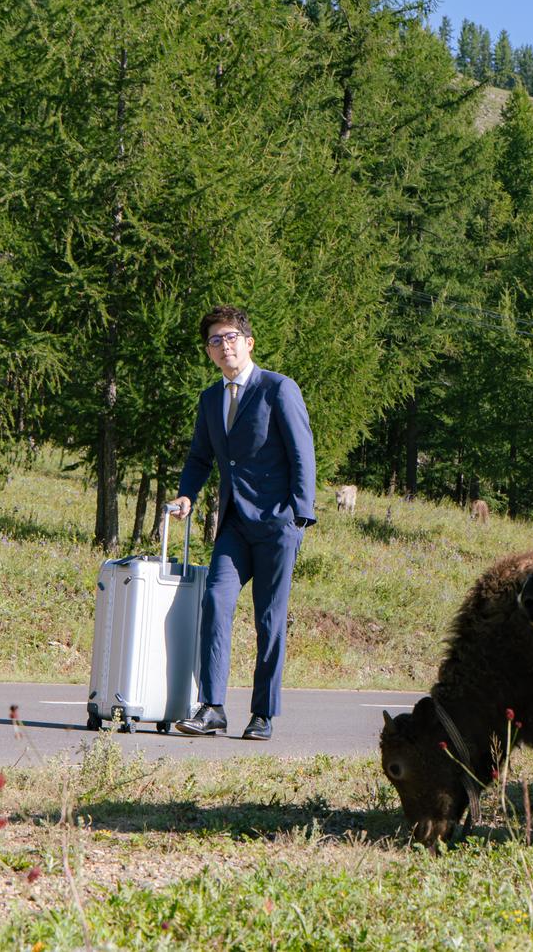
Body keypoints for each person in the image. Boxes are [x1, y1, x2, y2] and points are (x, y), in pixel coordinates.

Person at [167, 305, 315, 741]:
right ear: (209, 353)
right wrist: (186, 495)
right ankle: (212, 707)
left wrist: (299, 516)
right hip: (234, 523)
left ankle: (262, 714)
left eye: (231, 337)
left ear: (249, 343)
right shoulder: (211, 399)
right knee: (215, 601)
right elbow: (200, 457)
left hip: (277, 524)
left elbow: (301, 452)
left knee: (269, 620)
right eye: (215, 340)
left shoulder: (278, 389)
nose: (224, 345)